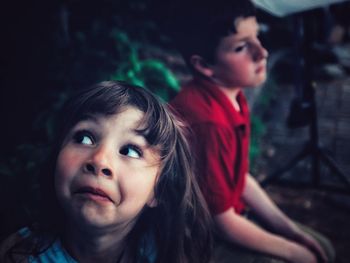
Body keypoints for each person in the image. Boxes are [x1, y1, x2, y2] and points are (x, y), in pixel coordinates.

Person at [169, 1, 335, 262]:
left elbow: (239, 178)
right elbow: (220, 221)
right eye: (241, 47)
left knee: (322, 246)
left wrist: (290, 231)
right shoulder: (209, 122)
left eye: (257, 37)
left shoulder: (231, 93)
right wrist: (293, 251)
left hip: (229, 218)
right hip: (200, 241)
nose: (262, 52)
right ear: (204, 65)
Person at [0, 81, 212, 263]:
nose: (100, 161)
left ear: (158, 189)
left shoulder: (166, 251)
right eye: (84, 138)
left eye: (130, 150)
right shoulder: (19, 255)